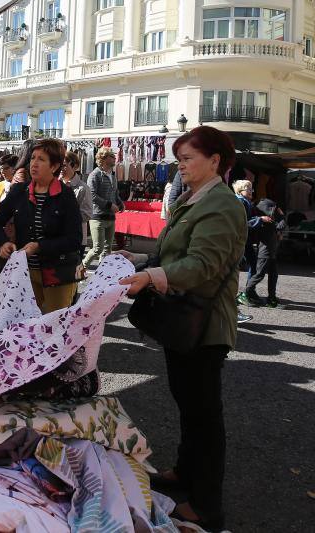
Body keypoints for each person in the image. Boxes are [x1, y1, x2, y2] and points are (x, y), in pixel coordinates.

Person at [118, 126, 247, 531]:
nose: (181, 167)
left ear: (215, 161)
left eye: (188, 159)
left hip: (204, 326)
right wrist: (140, 263)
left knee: (204, 416)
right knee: (190, 408)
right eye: (180, 160)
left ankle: (206, 506)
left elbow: (201, 267)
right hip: (186, 320)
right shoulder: (197, 198)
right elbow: (177, 253)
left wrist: (151, 274)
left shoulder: (221, 205)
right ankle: (185, 476)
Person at [0, 139, 83, 313]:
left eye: (41, 159)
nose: (34, 163)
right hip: (25, 273)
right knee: (26, 324)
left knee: (54, 324)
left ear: (54, 167)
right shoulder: (19, 192)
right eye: (33, 158)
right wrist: (2, 243)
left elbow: (75, 239)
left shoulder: (66, 195)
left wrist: (40, 246)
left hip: (58, 272)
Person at [83, 147, 124, 270]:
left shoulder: (112, 175)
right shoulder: (94, 175)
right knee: (97, 248)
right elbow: (92, 195)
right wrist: (109, 205)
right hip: (98, 217)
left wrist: (120, 203)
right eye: (111, 156)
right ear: (104, 158)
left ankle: (102, 271)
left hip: (111, 217)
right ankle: (82, 266)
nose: (114, 158)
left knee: (108, 248)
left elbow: (115, 193)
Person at [241, 198, 286, 308]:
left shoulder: (266, 219)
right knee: (259, 274)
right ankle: (245, 294)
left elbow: (279, 227)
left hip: (270, 251)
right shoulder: (266, 220)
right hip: (265, 251)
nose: (275, 210)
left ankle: (272, 299)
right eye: (273, 208)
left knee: (273, 275)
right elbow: (281, 225)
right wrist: (282, 216)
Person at [232, 179, 265, 315]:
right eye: (248, 188)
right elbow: (242, 223)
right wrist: (260, 220)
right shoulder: (240, 202)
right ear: (240, 190)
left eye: (251, 188)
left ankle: (249, 292)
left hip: (244, 240)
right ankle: (246, 293)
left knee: (251, 264)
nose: (252, 191)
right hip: (240, 240)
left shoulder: (244, 202)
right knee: (244, 267)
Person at [60, 151, 93, 254]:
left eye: (64, 165)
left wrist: (65, 216)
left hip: (76, 238)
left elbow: (87, 214)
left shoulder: (82, 188)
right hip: (57, 238)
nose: (61, 169)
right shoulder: (55, 184)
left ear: (74, 167)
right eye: (59, 165)